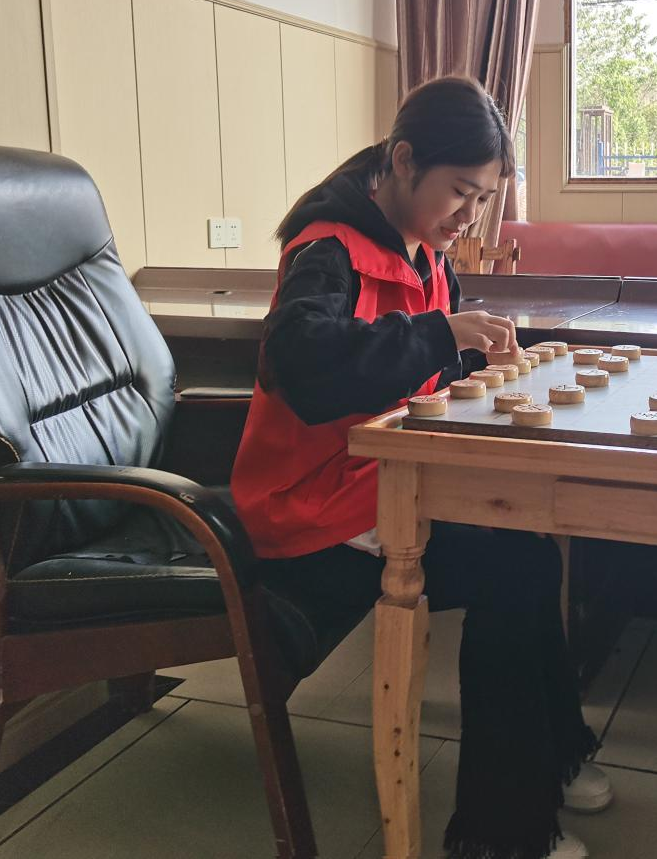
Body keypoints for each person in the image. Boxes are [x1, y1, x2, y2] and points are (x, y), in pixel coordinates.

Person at [231, 76, 609, 859]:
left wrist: (478, 363)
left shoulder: (427, 253)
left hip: (379, 483)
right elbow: (303, 365)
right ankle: (502, 835)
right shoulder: (327, 248)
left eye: (483, 199)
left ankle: (550, 759)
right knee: (515, 568)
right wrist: (444, 334)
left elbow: (423, 373)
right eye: (460, 192)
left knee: (529, 550)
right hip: (314, 505)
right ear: (403, 161)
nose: (468, 216)